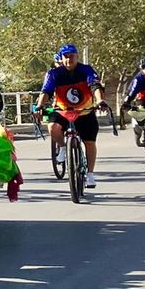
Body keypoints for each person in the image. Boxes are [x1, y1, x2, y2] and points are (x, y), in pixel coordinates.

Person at [36, 44, 109, 189]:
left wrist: (100, 101)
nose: (69, 60)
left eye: (72, 56)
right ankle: (63, 147)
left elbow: (95, 86)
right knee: (52, 127)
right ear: (62, 59)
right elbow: (46, 91)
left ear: (77, 57)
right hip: (63, 111)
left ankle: (90, 174)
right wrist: (39, 106)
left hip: (84, 111)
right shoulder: (54, 73)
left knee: (89, 142)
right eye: (66, 57)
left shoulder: (86, 70)